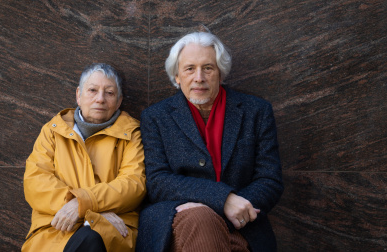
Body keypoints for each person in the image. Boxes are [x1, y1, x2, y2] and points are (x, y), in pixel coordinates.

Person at [136, 32, 284, 252]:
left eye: (208, 68)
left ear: (220, 73)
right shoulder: (156, 117)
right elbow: (158, 181)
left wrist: (235, 208)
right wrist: (223, 200)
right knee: (202, 220)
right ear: (177, 76)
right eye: (189, 69)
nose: (199, 77)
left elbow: (269, 179)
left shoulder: (256, 112)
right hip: (173, 218)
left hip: (241, 223)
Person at [22, 63, 146, 252]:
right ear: (78, 95)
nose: (100, 99)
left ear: (119, 101)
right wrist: (87, 208)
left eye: (109, 93)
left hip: (111, 228)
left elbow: (133, 184)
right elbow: (35, 182)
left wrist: (84, 204)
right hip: (57, 227)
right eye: (92, 90)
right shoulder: (53, 131)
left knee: (92, 239)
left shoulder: (132, 134)